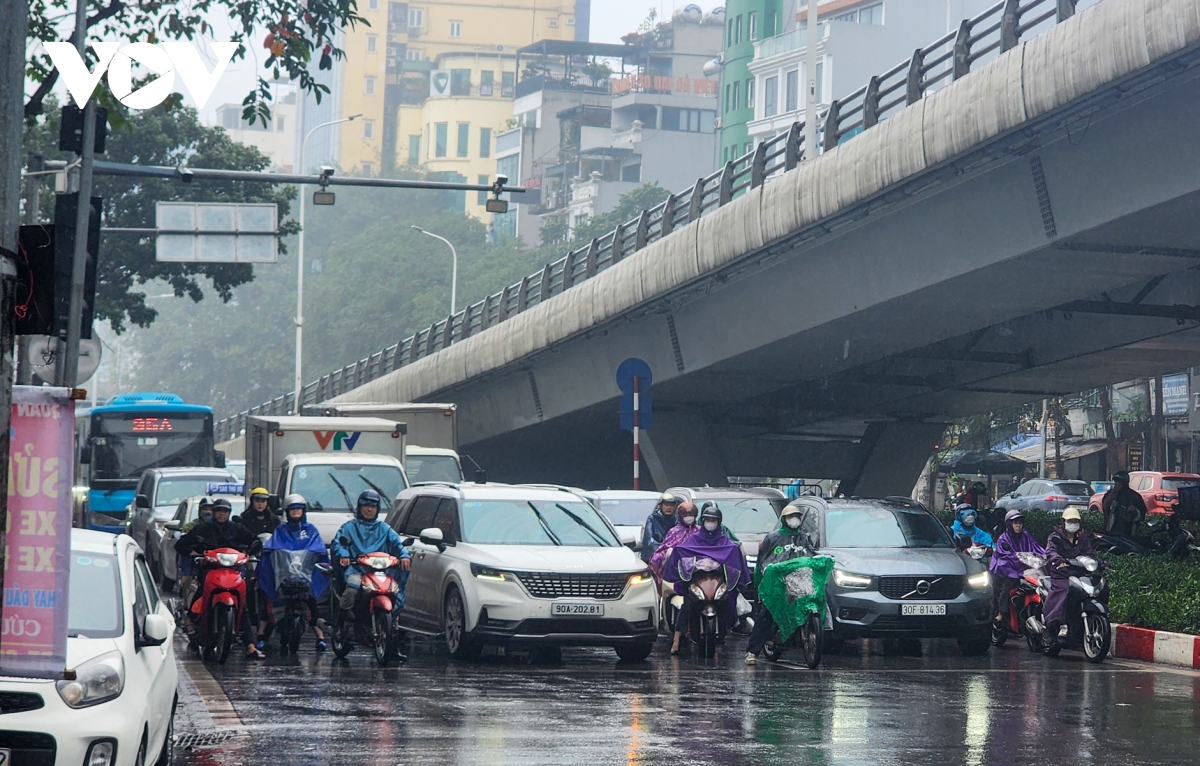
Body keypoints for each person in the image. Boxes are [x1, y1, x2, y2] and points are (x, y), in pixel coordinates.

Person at [175, 496, 263, 658]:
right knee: (202, 591)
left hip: (234, 571)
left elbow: (255, 541)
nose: (221, 514)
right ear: (213, 512)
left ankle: (251, 646)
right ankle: (190, 618)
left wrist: (248, 554)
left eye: (225, 511)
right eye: (218, 511)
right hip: (210, 569)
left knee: (242, 604)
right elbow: (181, 544)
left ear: (229, 513)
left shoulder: (237, 528)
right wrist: (196, 553)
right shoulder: (202, 529)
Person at [663, 504, 749, 655]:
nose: (710, 523)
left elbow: (732, 553)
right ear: (702, 521)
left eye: (713, 520)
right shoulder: (694, 539)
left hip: (717, 582)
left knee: (728, 601)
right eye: (707, 520)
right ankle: (676, 639)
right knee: (686, 606)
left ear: (718, 522)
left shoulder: (724, 540)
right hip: (697, 582)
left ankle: (726, 628)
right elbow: (682, 551)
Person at [258, 494, 329, 651]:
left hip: (305, 575)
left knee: (312, 603)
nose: (296, 512)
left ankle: (320, 637)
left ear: (304, 511)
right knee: (269, 599)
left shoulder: (310, 530)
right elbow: (273, 545)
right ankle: (261, 634)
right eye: (292, 509)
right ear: (287, 511)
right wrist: (268, 550)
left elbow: (318, 547)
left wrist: (321, 555)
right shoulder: (281, 530)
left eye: (299, 509)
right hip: (284, 575)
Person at [745, 504, 814, 664]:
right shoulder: (773, 538)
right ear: (784, 519)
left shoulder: (804, 538)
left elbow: (811, 555)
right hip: (777, 584)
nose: (794, 520)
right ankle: (752, 652)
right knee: (765, 615)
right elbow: (762, 561)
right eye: (791, 516)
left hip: (799, 582)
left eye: (796, 516)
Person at [330, 490, 412, 618]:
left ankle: (392, 621)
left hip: (381, 572)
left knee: (394, 591)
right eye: (366, 506)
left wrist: (404, 555)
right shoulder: (348, 527)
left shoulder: (384, 528)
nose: (369, 509)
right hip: (356, 570)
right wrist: (344, 554)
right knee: (351, 591)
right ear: (360, 507)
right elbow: (337, 544)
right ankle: (341, 623)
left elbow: (398, 544)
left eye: (373, 506)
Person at [1042, 507, 1094, 652]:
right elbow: (1050, 551)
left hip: (1078, 573)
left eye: (1076, 521)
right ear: (1063, 522)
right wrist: (1059, 560)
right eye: (1070, 521)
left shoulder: (1082, 537)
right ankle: (1055, 624)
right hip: (1061, 573)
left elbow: (1089, 553)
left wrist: (1099, 563)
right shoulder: (1055, 537)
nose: (1073, 524)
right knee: (1064, 592)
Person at [989, 510, 1045, 627]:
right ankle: (1001, 613)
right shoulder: (1003, 539)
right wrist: (1018, 559)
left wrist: (1046, 556)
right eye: (1015, 523)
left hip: (1026, 568)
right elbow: (1006, 556)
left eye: (1020, 523)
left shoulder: (1026, 535)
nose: (1018, 525)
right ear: (1009, 524)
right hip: (1008, 569)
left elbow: (1036, 548)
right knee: (1008, 586)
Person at [648, 501, 699, 584]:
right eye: (685, 515)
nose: (688, 518)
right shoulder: (674, 531)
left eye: (691, 515)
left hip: (698, 570)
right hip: (676, 570)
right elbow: (663, 549)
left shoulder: (700, 531)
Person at [1101, 470, 1146, 538]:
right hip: (1111, 531)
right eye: (1116, 482)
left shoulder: (1134, 496)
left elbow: (1142, 513)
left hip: (1127, 532)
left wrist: (1135, 510)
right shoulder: (1110, 494)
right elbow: (1105, 506)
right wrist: (1113, 493)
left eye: (1119, 482)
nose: (1117, 484)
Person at [640, 492, 681, 564]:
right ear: (661, 506)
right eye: (666, 505)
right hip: (654, 558)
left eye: (671, 505)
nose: (669, 507)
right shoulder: (652, 519)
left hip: (672, 557)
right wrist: (661, 552)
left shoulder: (677, 520)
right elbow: (649, 541)